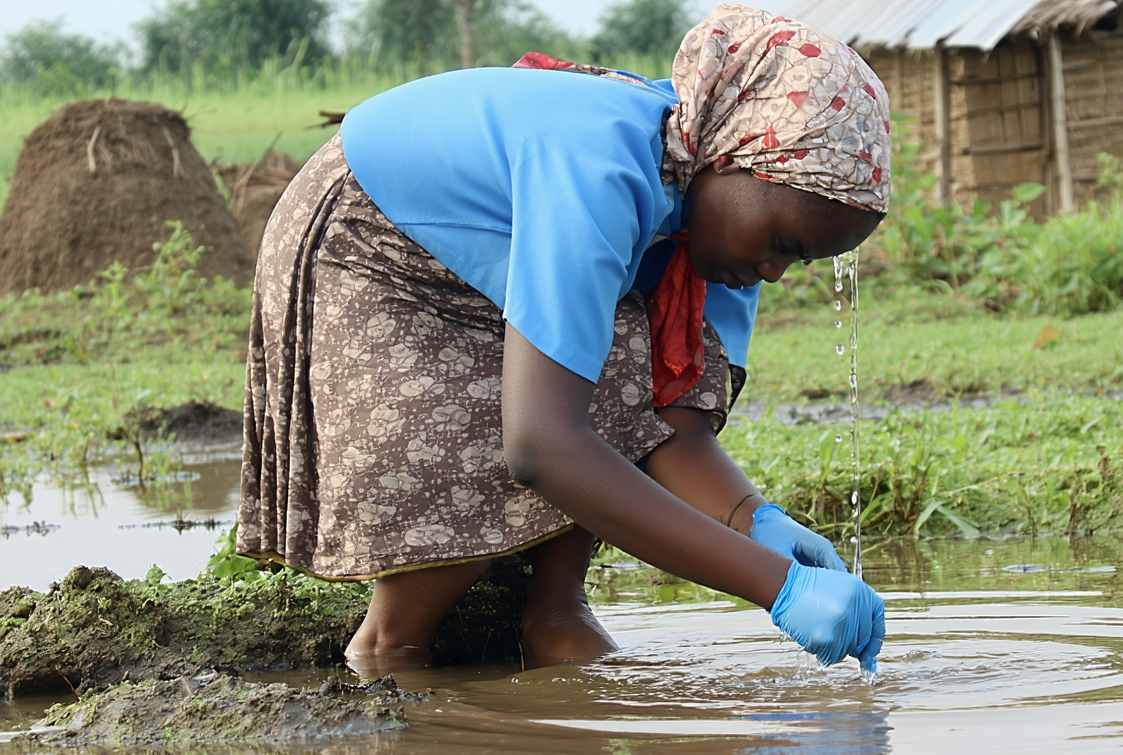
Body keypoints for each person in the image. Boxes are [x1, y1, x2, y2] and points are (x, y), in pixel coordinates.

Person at [237, 4, 890, 673]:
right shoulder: (602, 173)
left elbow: (673, 425)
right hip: (372, 237)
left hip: (473, 248)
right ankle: (390, 644)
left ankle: (556, 613)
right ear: (733, 156)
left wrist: (756, 520)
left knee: (627, 364)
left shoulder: (720, 229)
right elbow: (542, 445)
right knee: (507, 406)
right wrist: (776, 586)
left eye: (800, 260)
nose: (775, 273)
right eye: (782, 243)